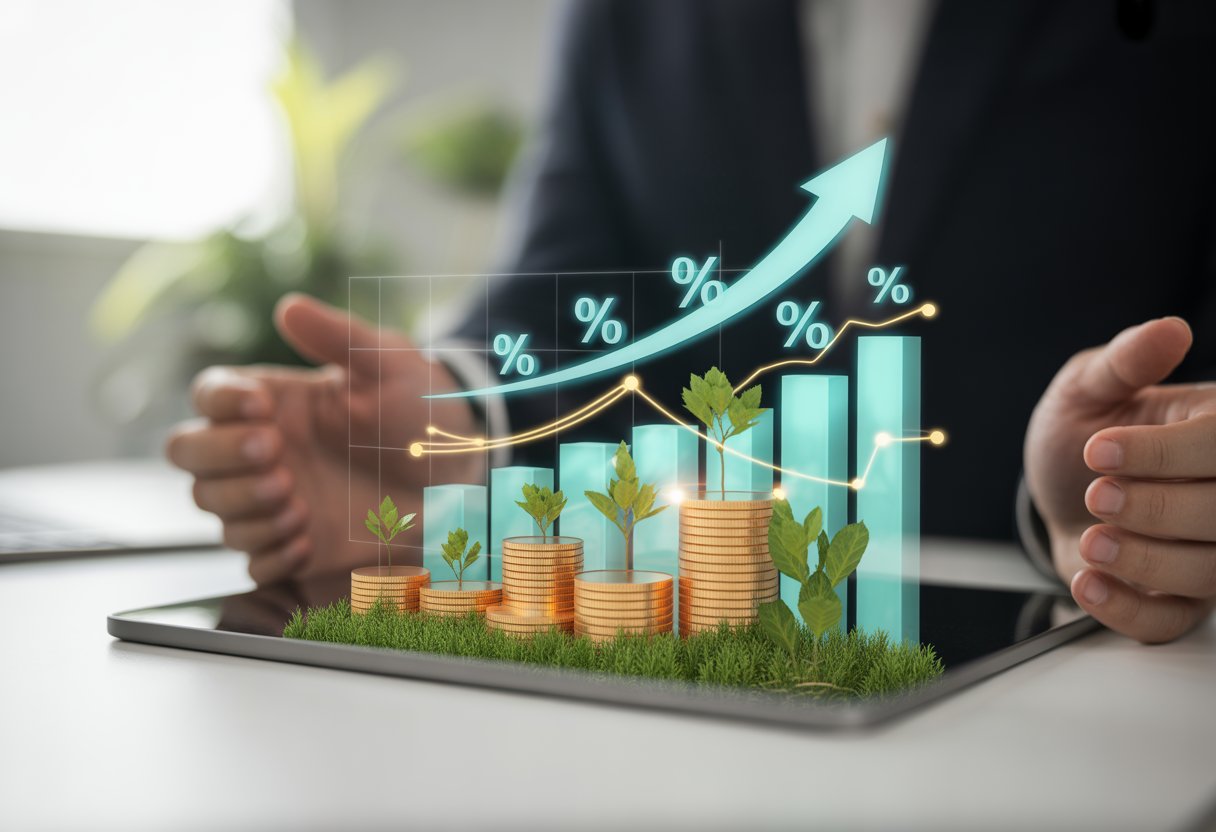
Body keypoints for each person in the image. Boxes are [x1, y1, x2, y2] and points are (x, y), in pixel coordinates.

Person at [167, 0, 1216, 643]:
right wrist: (448, 427)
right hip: (694, 683)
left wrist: (1141, 491)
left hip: (1093, 669)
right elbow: (564, 277)